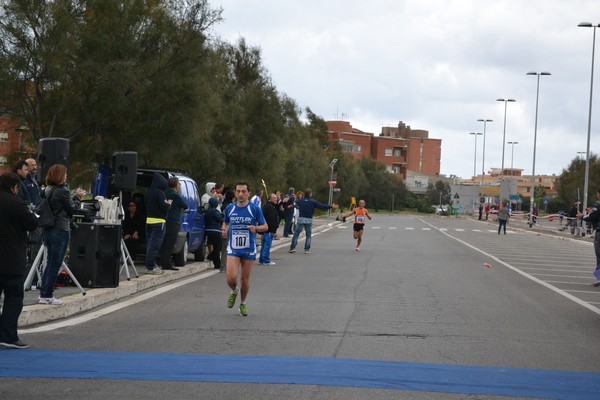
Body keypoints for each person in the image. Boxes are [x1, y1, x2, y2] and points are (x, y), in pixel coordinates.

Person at [0, 172, 38, 349]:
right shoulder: (15, 202)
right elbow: (31, 223)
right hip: (10, 259)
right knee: (13, 297)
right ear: (15, 187)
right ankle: (8, 335)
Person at [39, 164, 84, 305]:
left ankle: (43, 293)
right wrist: (77, 197)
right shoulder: (62, 191)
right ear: (60, 176)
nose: (66, 176)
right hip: (60, 229)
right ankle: (47, 294)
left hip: (48, 229)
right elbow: (72, 209)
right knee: (55, 263)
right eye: (65, 174)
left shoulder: (47, 190)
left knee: (50, 262)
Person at [222, 182, 268, 316]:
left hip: (249, 248)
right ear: (235, 193)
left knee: (244, 280)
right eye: (238, 191)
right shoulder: (230, 208)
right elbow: (226, 222)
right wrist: (224, 231)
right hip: (233, 247)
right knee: (231, 278)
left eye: (243, 191)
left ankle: (242, 303)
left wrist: (256, 228)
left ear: (248, 193)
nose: (240, 194)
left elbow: (265, 226)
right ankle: (234, 291)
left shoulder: (254, 209)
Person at [289, 188, 338, 254]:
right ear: (310, 194)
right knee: (308, 235)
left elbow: (294, 204)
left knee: (296, 234)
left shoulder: (301, 201)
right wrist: (331, 206)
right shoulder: (313, 202)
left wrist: (295, 207)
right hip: (309, 219)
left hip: (301, 219)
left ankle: (292, 248)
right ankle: (307, 249)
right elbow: (322, 206)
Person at [145, 172, 172, 274]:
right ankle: (151, 266)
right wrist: (168, 204)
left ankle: (151, 264)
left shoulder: (149, 192)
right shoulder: (160, 193)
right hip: (159, 221)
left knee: (149, 244)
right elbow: (164, 207)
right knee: (155, 245)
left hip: (149, 220)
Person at [158, 177, 187, 271]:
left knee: (164, 242)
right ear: (176, 185)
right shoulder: (176, 195)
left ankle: (162, 261)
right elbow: (185, 206)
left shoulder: (165, 193)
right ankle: (167, 263)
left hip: (165, 219)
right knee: (170, 243)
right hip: (174, 221)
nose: (179, 185)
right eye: (179, 184)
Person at [582, 187, 600, 287]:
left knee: (599, 256)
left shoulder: (598, 204)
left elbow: (593, 217)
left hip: (599, 232)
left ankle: (599, 279)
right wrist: (591, 212)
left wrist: (583, 217)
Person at [259, 193, 279, 265]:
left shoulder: (268, 206)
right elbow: (271, 220)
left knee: (264, 245)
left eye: (276, 198)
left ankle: (262, 259)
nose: (276, 199)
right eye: (274, 198)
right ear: (270, 199)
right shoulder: (270, 207)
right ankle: (265, 260)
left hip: (266, 229)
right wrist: (273, 230)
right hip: (268, 230)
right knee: (267, 245)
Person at [205, 197, 224, 270]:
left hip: (208, 230)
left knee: (215, 246)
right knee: (218, 248)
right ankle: (217, 264)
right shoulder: (215, 211)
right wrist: (223, 215)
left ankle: (211, 256)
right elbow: (220, 219)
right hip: (215, 231)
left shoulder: (207, 211)